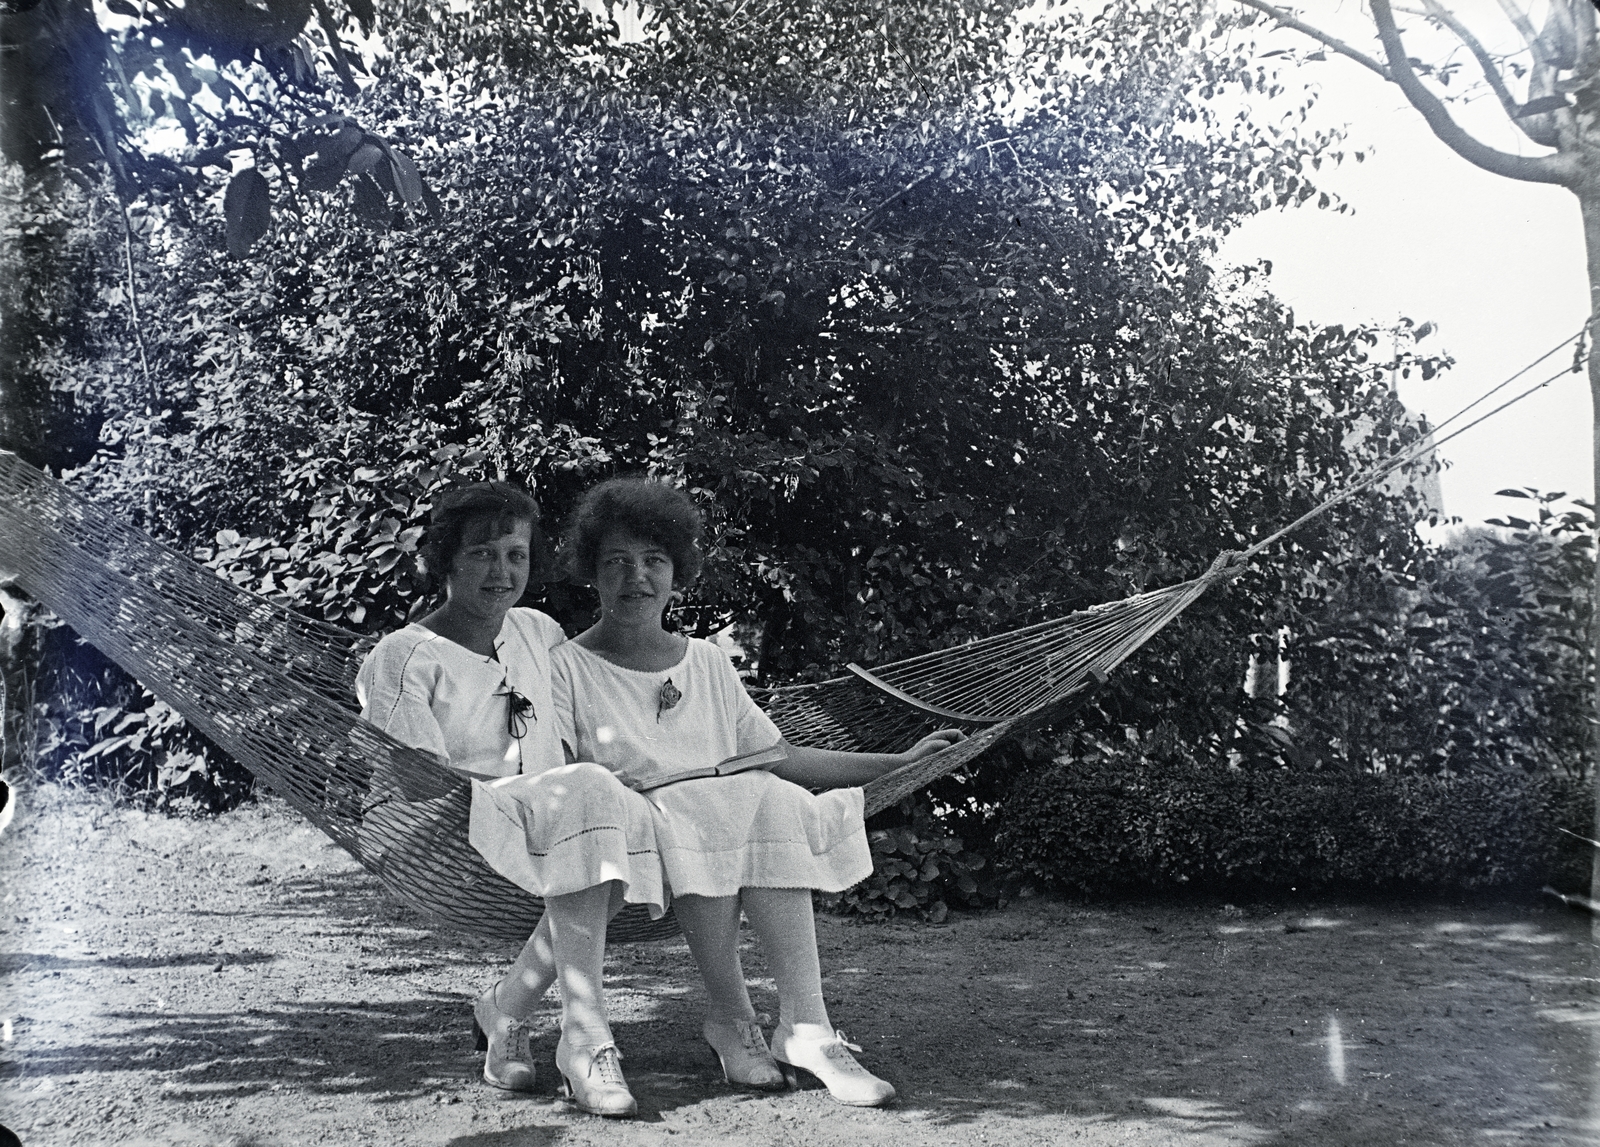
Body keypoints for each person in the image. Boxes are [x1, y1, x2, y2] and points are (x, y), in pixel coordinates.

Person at [471, 475, 962, 1115]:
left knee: (775, 798)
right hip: (616, 844)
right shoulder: (565, 666)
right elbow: (552, 769)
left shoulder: (705, 662)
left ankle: (805, 1024)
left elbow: (777, 756)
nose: (636, 579)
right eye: (616, 563)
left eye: (654, 562)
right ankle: (723, 1021)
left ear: (679, 573)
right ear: (592, 573)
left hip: (712, 839)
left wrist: (899, 761)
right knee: (722, 801)